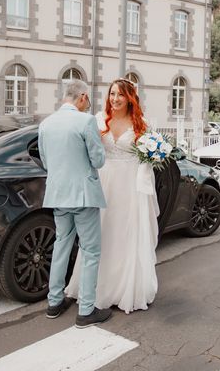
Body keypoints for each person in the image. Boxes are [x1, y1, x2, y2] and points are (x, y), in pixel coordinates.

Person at [66, 78, 160, 314]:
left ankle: (126, 289)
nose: (115, 99)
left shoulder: (142, 124)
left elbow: (148, 159)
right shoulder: (98, 119)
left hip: (130, 187)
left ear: (130, 98)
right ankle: (95, 290)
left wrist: (152, 162)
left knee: (127, 234)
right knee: (102, 234)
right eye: (112, 94)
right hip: (104, 183)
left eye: (120, 95)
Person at [38, 79, 112, 328]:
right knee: (91, 250)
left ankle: (54, 302)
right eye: (87, 99)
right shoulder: (85, 121)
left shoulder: (46, 124)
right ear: (82, 97)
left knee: (61, 244)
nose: (87, 103)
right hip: (82, 195)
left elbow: (46, 162)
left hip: (58, 194)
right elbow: (98, 160)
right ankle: (86, 310)